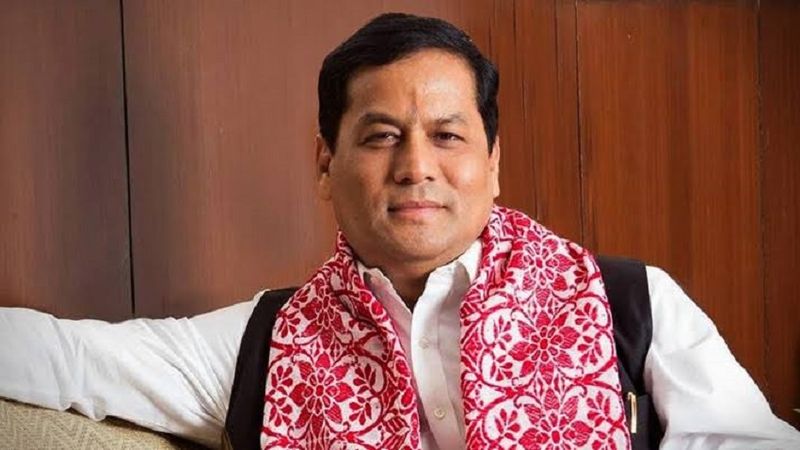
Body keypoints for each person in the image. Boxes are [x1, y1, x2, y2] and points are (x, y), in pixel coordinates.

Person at [0, 12, 798, 450]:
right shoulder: (261, 344)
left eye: (447, 136)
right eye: (382, 136)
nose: (416, 167)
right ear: (326, 163)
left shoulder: (631, 303)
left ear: (493, 162)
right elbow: (68, 360)